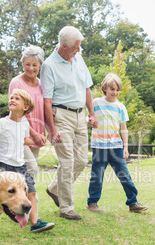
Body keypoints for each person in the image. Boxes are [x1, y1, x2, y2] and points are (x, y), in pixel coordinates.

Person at [40, 26, 98, 220]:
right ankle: (66, 208)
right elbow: (46, 100)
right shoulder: (49, 65)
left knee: (81, 160)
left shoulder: (79, 59)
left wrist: (92, 113)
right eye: (76, 47)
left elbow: (87, 88)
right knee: (66, 162)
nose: (79, 50)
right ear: (64, 46)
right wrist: (52, 128)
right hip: (61, 115)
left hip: (80, 115)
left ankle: (54, 188)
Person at [0, 89, 55, 233]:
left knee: (31, 192)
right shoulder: (2, 122)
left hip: (21, 166)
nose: (12, 100)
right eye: (11, 98)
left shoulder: (25, 123)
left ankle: (35, 223)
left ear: (25, 107)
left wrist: (36, 141)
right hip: (5, 166)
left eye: (17, 99)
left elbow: (23, 139)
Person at [87, 73, 148, 213]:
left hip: (116, 147)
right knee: (97, 176)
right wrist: (89, 121)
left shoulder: (121, 107)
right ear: (105, 89)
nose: (115, 92)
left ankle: (133, 203)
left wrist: (125, 147)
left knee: (125, 175)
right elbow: (88, 117)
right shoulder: (96, 103)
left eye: (117, 89)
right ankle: (92, 203)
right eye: (112, 89)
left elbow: (124, 129)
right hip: (99, 147)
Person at [9, 46, 47, 215]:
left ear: (40, 65)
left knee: (27, 175)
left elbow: (44, 108)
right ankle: (32, 212)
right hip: (20, 134)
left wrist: (46, 132)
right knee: (31, 170)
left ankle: (19, 206)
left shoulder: (42, 84)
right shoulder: (16, 83)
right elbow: (17, 111)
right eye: (27, 64)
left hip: (38, 135)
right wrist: (34, 133)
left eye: (35, 65)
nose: (31, 68)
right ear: (22, 64)